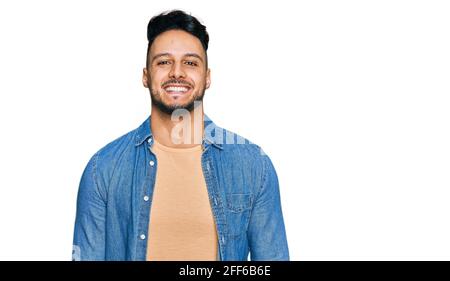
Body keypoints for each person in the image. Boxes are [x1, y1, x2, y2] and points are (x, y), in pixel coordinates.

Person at [72, 9, 289, 261]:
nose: (177, 72)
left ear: (207, 77)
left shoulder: (253, 166)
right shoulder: (104, 169)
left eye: (190, 62)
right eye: (164, 62)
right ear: (146, 75)